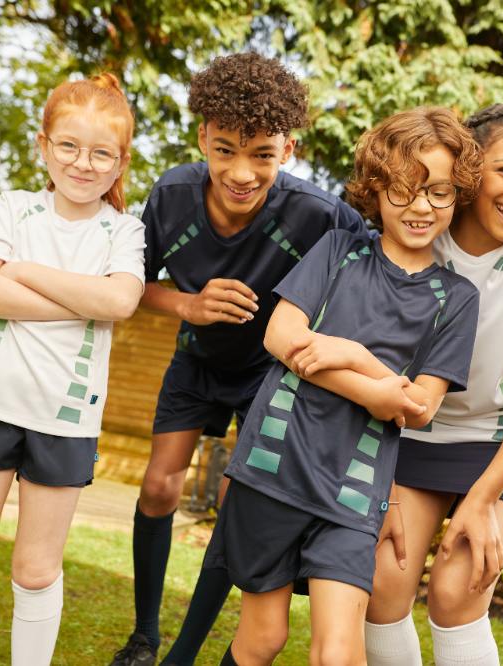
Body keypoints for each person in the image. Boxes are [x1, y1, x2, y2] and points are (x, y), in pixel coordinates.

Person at [111, 53, 367, 666]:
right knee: (158, 486)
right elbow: (128, 284)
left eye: (263, 155)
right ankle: (145, 636)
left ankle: (184, 653)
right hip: (197, 362)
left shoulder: (318, 213)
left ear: (290, 150)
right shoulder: (170, 195)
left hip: (269, 381)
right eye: (224, 150)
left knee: (234, 511)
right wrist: (187, 305)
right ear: (203, 137)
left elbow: (403, 236)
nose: (242, 172)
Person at [205, 106, 483, 666]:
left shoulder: (456, 298)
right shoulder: (337, 252)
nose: (421, 206)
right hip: (273, 471)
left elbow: (420, 406)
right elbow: (281, 336)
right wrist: (375, 390)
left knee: (337, 651)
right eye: (403, 190)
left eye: (439, 192)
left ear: (458, 196)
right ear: (376, 190)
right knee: (263, 639)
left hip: (354, 497)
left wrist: (351, 354)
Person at [0, 73, 145, 666]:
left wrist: (20, 275)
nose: (83, 164)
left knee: (38, 571)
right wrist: (78, 304)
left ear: (121, 163)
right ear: (44, 146)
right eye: (68, 146)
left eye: (102, 153)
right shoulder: (13, 209)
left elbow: (119, 303)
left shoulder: (125, 230)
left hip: (65, 423)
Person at [361, 104, 503, 666]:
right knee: (384, 579)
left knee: (458, 589)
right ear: (470, 168)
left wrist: (482, 500)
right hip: (418, 434)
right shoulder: (420, 226)